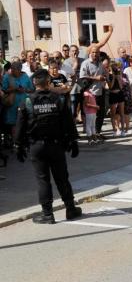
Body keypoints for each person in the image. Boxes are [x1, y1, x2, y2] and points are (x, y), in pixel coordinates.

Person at [14, 69, 82, 224]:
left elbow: (20, 127)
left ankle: (47, 214)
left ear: (34, 83)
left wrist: (18, 145)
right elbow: (68, 123)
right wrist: (73, 141)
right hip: (56, 145)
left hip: (36, 147)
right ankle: (70, 208)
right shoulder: (59, 100)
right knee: (62, 178)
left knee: (43, 180)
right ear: (48, 82)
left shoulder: (27, 101)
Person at [77, 25, 114, 139]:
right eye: (93, 52)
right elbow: (82, 77)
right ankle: (91, 135)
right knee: (91, 116)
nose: (95, 54)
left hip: (100, 91)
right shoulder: (85, 63)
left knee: (101, 114)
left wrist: (107, 78)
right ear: (89, 52)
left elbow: (104, 74)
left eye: (97, 52)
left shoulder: (100, 64)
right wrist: (96, 78)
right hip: (90, 93)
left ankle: (97, 133)